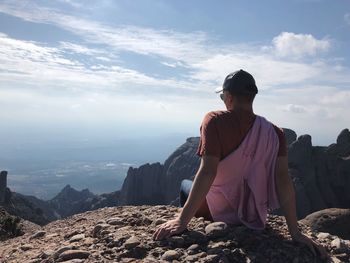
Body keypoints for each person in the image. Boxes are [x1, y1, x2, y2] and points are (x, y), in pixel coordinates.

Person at [153, 69, 327, 259]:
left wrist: (181, 220)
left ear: (228, 97)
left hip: (213, 211)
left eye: (222, 96)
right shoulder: (275, 133)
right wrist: (295, 232)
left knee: (185, 184)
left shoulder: (214, 120)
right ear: (251, 98)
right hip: (254, 216)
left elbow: (208, 172)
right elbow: (283, 180)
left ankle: (188, 222)